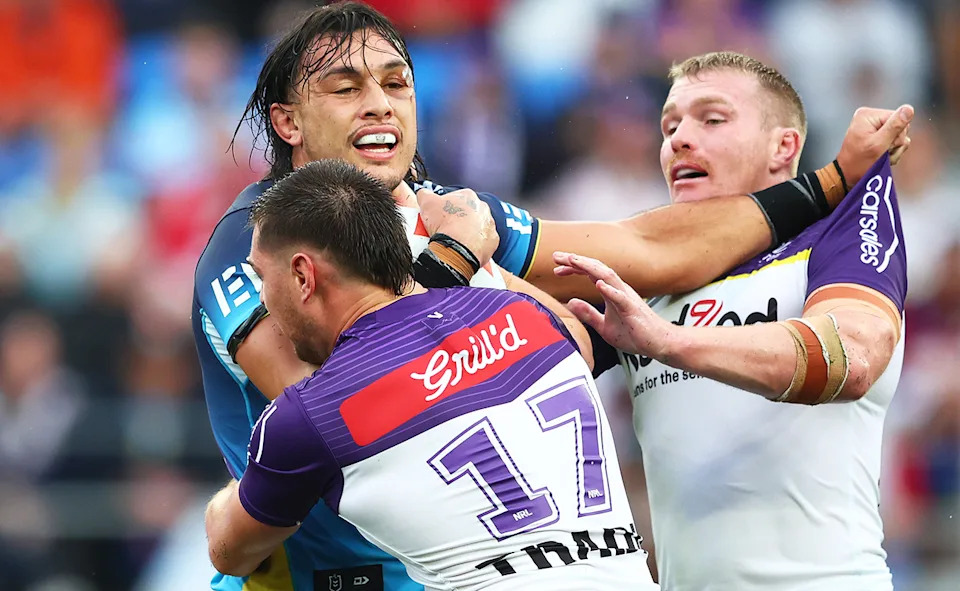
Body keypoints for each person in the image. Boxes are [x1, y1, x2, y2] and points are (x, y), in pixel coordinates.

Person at [193, 3, 911, 589]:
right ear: (288, 121)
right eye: (346, 89)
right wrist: (455, 264)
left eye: (396, 82)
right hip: (328, 577)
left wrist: (830, 182)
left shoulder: (449, 208)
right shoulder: (250, 241)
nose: (379, 105)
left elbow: (647, 252)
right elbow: (333, 402)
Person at [489, 51, 909, 590]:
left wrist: (669, 341)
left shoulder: (836, 229)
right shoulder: (650, 273)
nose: (680, 139)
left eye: (712, 119)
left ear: (785, 147)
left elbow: (850, 358)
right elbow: (519, 346)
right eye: (670, 126)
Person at [204, 159, 659, 591]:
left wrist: (254, 473)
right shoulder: (524, 312)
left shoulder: (310, 413)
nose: (263, 295)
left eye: (263, 276)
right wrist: (461, 256)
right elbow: (577, 341)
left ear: (303, 275)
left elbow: (229, 552)